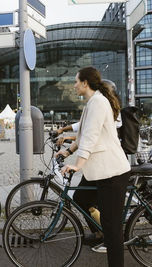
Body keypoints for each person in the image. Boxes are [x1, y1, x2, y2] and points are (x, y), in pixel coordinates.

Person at [60, 67, 130, 267]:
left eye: (76, 81)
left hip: (112, 172)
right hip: (99, 172)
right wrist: (67, 152)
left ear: (85, 83)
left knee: (112, 227)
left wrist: (77, 165)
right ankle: (100, 232)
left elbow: (90, 138)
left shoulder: (98, 102)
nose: (74, 85)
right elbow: (83, 134)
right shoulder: (93, 102)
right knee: (80, 198)